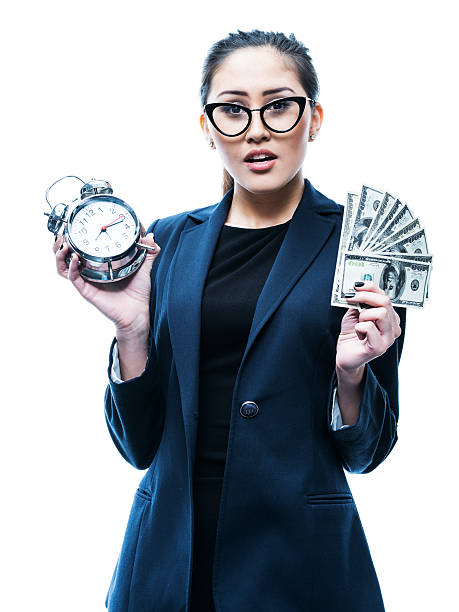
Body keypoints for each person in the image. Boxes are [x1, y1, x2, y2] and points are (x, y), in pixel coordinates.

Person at [53, 29, 405, 612]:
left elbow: (366, 452)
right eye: (234, 110)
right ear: (208, 126)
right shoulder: (165, 242)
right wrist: (132, 332)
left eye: (280, 105)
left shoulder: (361, 245)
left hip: (301, 568)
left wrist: (351, 377)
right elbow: (140, 447)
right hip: (168, 566)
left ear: (313, 118)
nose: (257, 128)